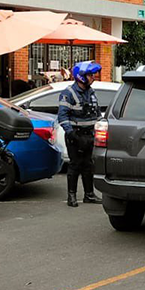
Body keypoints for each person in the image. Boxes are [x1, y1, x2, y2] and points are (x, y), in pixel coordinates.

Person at [57, 60, 102, 206]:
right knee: (75, 165)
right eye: (90, 75)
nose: (93, 77)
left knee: (88, 165)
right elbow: (62, 117)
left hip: (90, 135)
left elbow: (97, 114)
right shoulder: (68, 93)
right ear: (81, 76)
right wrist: (71, 134)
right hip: (75, 136)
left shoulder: (91, 93)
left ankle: (89, 195)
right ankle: (72, 196)